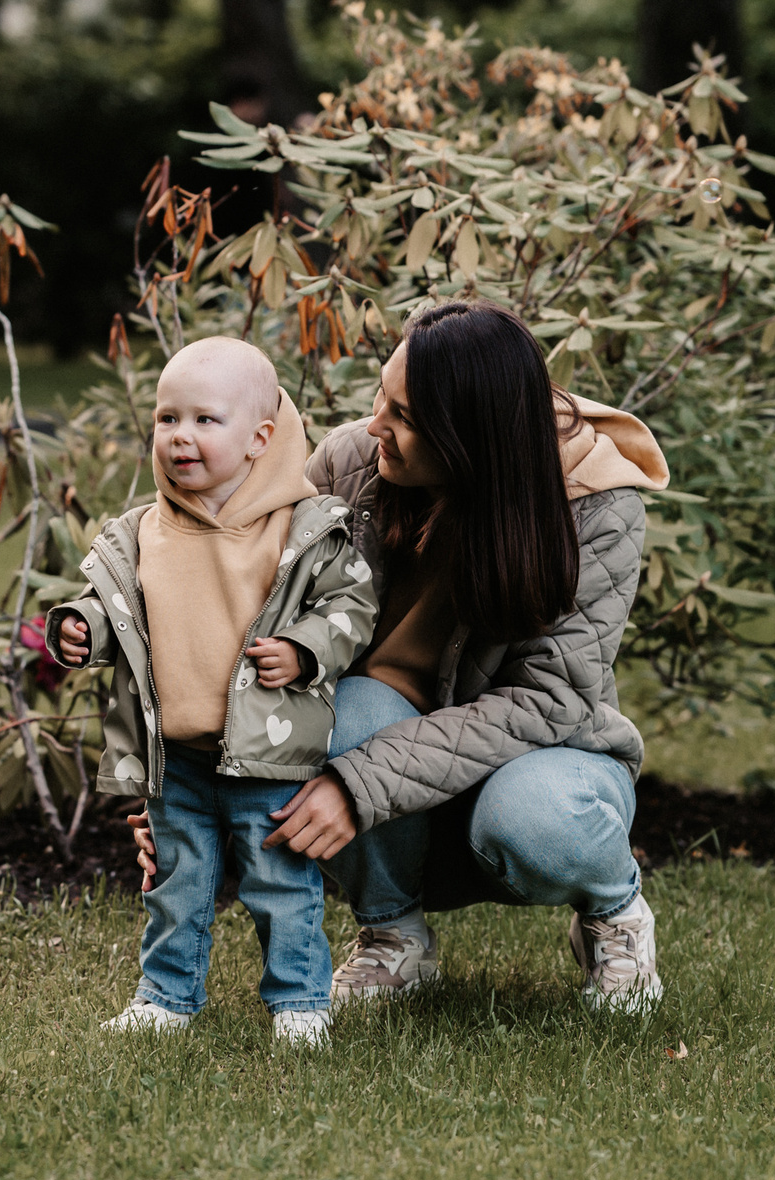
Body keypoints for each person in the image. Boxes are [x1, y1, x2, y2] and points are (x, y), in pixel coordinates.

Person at [130, 301, 670, 1012]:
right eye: (384, 395)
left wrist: (359, 784)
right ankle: (393, 937)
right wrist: (191, 787)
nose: (375, 422)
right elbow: (245, 620)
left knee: (537, 816)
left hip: (536, 763)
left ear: (471, 438)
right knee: (338, 711)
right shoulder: (353, 464)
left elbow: (549, 701)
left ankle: (613, 911)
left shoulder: (595, 506)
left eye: (405, 415)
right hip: (385, 771)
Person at [48, 337, 378, 1046]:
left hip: (268, 751)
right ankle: (167, 993)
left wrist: (303, 648)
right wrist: (84, 626)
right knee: (178, 879)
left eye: (205, 420)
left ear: (261, 437)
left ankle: (300, 1000)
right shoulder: (142, 532)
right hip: (177, 756)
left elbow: (351, 609)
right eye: (168, 418)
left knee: (280, 881)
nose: (180, 436)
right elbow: (118, 608)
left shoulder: (300, 526)